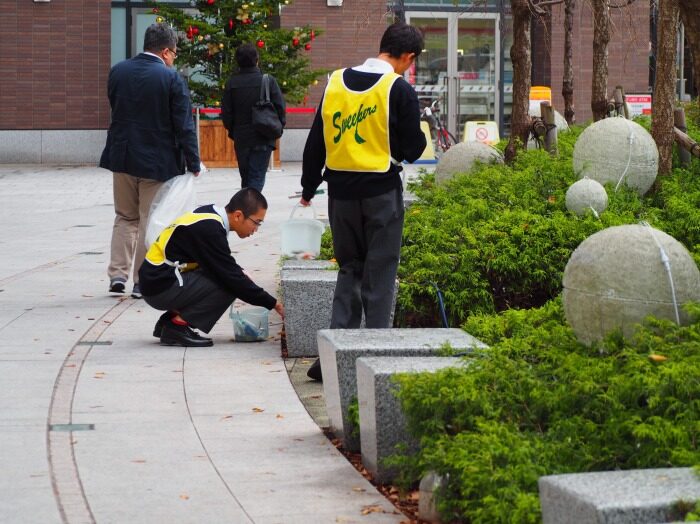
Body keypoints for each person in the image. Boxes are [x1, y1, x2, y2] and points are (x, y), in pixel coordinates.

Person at [298, 22, 427, 381]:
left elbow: (315, 143)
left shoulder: (335, 82)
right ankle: (375, 356)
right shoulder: (397, 88)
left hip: (339, 196)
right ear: (408, 57)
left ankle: (333, 357)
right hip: (381, 194)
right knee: (381, 272)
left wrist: (309, 188)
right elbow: (412, 149)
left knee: (349, 269)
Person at [100, 23, 200, 299]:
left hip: (121, 156)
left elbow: (116, 107)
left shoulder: (118, 71)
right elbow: (184, 126)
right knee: (149, 219)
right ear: (166, 51)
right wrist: (194, 162)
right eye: (175, 53)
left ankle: (117, 276)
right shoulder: (170, 79)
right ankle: (141, 281)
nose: (174, 58)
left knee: (124, 216)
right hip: (156, 162)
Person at [138, 188, 285, 347]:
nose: (256, 229)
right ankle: (177, 326)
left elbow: (218, 261)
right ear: (238, 215)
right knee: (229, 285)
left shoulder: (210, 214)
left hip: (155, 279)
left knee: (232, 277)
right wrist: (274, 304)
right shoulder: (210, 229)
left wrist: (239, 272)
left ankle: (168, 321)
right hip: (160, 286)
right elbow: (230, 277)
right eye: (256, 222)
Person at [221, 43, 286, 192]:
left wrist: (233, 131)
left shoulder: (232, 83)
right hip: (264, 135)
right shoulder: (268, 80)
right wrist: (277, 129)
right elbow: (280, 108)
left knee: (246, 178)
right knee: (256, 178)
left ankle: (246, 209)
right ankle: (250, 210)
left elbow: (226, 114)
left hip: (241, 137)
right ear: (257, 60)